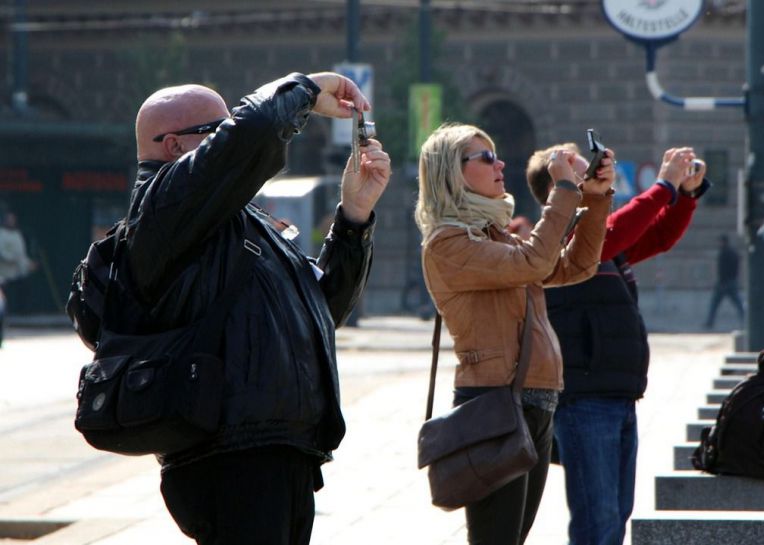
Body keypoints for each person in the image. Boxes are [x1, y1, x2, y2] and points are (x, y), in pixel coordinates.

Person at [124, 72, 390, 545]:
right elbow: (254, 133)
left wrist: (353, 217)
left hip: (278, 451)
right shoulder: (163, 208)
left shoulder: (242, 224)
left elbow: (321, 310)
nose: (229, 138)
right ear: (173, 147)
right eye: (217, 131)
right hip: (230, 458)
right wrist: (306, 89)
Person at [415, 123, 613, 545]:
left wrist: (594, 198)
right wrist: (563, 188)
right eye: (485, 158)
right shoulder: (447, 244)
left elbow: (576, 266)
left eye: (496, 154)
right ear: (451, 172)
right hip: (494, 402)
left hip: (535, 398)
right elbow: (534, 262)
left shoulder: (494, 235)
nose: (499, 163)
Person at [527, 144, 708, 545]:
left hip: (619, 395)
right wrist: (664, 186)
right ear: (560, 185)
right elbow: (613, 234)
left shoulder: (599, 238)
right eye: (581, 168)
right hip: (584, 399)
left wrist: (687, 195)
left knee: (616, 515)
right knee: (598, 520)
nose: (597, 171)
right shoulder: (559, 239)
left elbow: (657, 236)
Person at [0, 211, 37, 347]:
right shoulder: (1, 234)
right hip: (3, 274)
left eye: (13, 219)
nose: (11, 221)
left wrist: (29, 263)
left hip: (17, 272)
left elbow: (21, 255)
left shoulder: (17, 234)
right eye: (9, 219)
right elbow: (3, 253)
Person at [704, 233, 745, 329]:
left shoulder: (723, 253)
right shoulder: (733, 253)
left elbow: (722, 269)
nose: (718, 243)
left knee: (714, 304)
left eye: (719, 242)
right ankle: (745, 320)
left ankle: (710, 322)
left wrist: (721, 281)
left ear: (723, 242)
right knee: (738, 303)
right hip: (732, 281)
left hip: (723, 282)